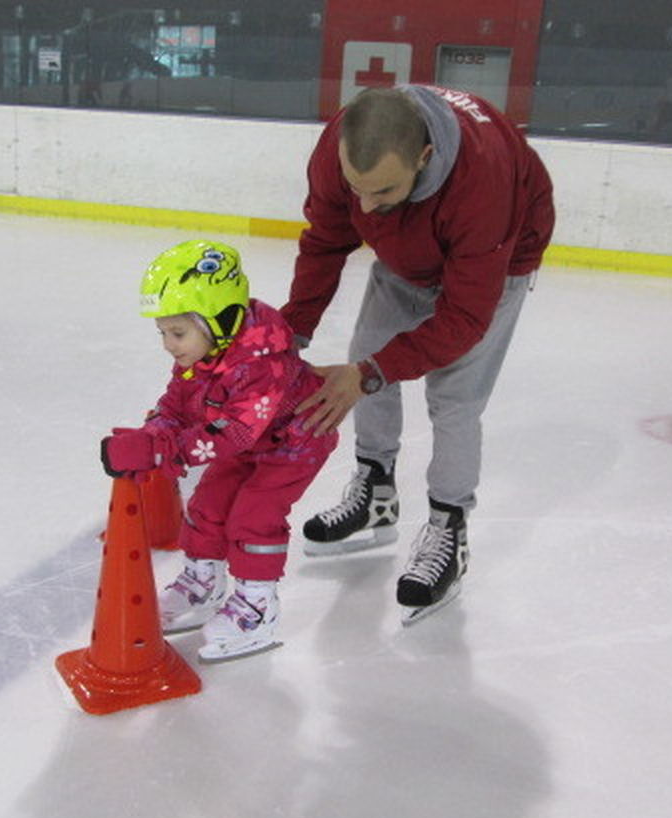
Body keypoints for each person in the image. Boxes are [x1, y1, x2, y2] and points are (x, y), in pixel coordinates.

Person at [281, 85, 555, 624]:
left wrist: (370, 374)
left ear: (425, 158)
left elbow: (465, 319)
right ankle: (376, 493)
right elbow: (325, 241)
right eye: (356, 188)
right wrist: (293, 336)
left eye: (382, 190)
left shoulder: (483, 179)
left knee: (453, 399)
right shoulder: (344, 145)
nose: (365, 206)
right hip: (411, 250)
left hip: (495, 263)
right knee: (367, 353)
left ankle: (449, 529)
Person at [101, 239, 337, 661]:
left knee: (253, 514)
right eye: (163, 333)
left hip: (295, 441)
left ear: (220, 318)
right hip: (248, 441)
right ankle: (203, 584)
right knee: (208, 502)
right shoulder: (204, 352)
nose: (168, 344)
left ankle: (256, 608)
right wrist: (154, 432)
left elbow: (236, 433)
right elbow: (177, 402)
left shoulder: (262, 362)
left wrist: (161, 451)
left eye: (177, 332)